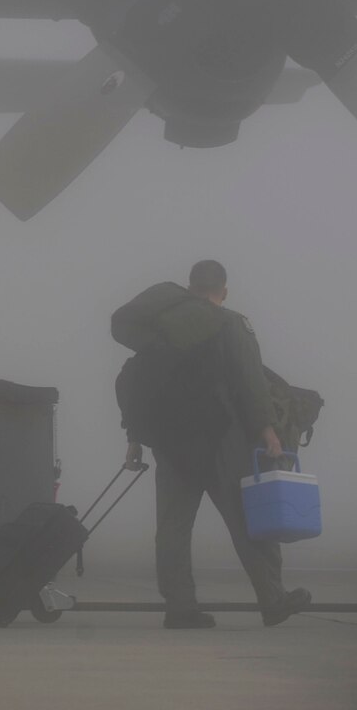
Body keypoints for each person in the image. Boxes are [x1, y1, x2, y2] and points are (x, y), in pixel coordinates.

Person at [119, 260, 312, 629]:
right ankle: (273, 600)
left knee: (173, 527)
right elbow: (250, 380)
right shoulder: (231, 323)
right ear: (223, 291)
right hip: (224, 442)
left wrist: (133, 438)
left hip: (172, 444)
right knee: (249, 520)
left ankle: (179, 608)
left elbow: (138, 385)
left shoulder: (163, 327)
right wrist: (269, 431)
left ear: (190, 288)